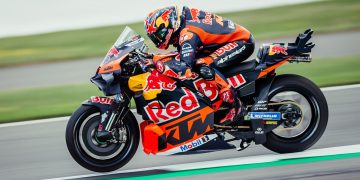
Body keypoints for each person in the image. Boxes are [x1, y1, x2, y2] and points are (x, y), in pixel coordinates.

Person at [144, 6, 255, 125]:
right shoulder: (184, 22)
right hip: (227, 42)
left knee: (202, 64)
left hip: (241, 42)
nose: (158, 39)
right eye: (154, 37)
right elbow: (182, 54)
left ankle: (235, 104)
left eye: (159, 33)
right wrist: (153, 57)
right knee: (193, 60)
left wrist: (158, 63)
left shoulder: (188, 33)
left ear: (170, 24)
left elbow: (185, 68)